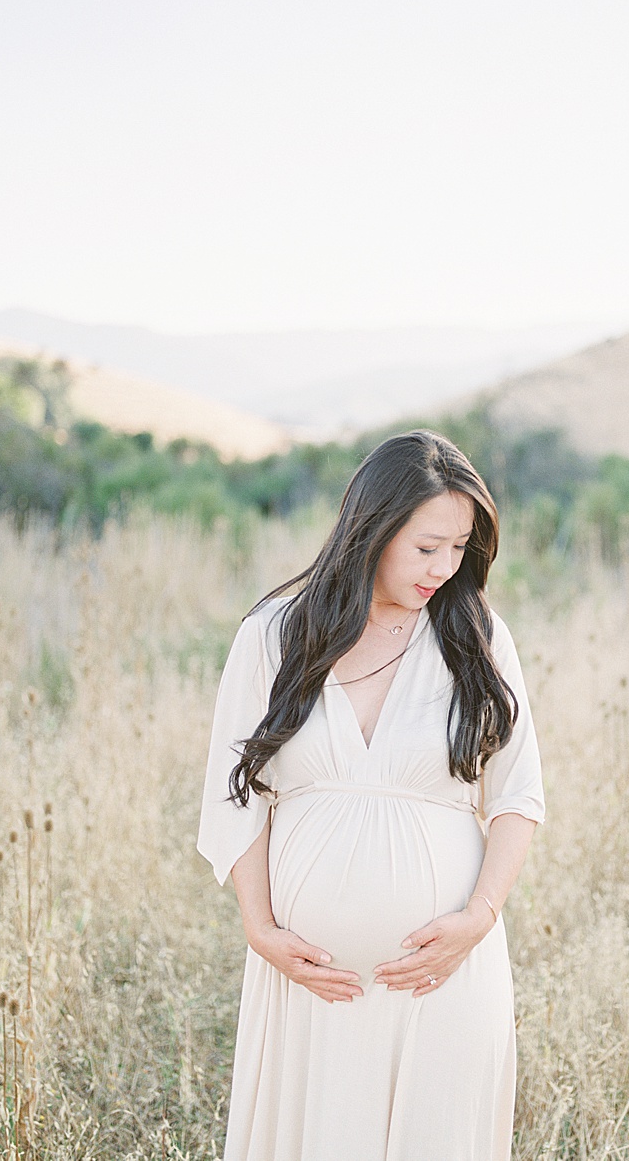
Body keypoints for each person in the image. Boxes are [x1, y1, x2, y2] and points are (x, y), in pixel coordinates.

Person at [196, 430, 545, 1160]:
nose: (445, 568)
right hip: (311, 981)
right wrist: (260, 928)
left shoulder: (476, 639)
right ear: (373, 525)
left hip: (440, 977)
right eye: (426, 547)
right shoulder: (275, 635)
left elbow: (518, 793)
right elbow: (235, 795)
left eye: (460, 548)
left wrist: (478, 918)